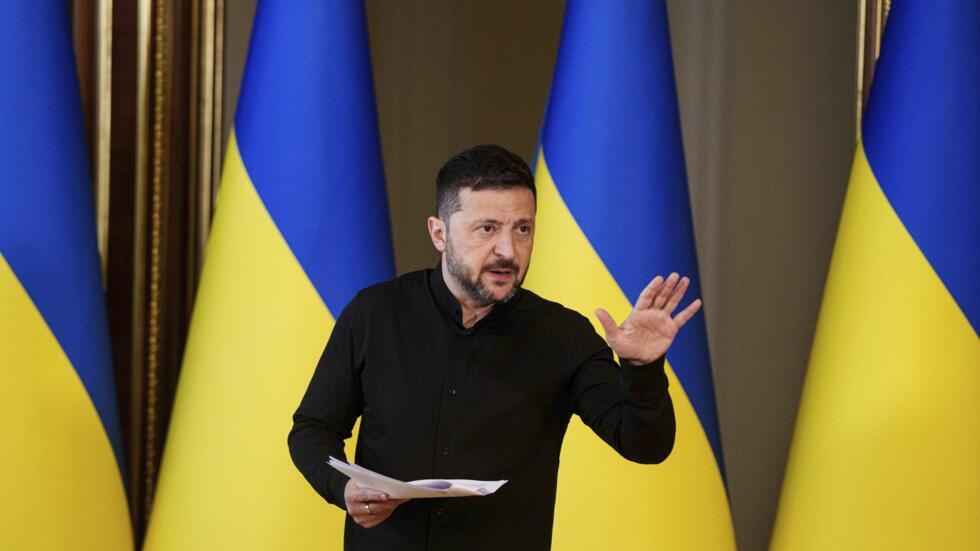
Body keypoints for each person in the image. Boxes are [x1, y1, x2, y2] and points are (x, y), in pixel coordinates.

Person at [288, 144, 702, 550]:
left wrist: (641, 367)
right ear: (440, 233)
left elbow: (644, 446)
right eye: (487, 229)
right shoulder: (374, 314)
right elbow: (312, 430)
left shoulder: (565, 336)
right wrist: (344, 488)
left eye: (522, 229)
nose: (508, 250)